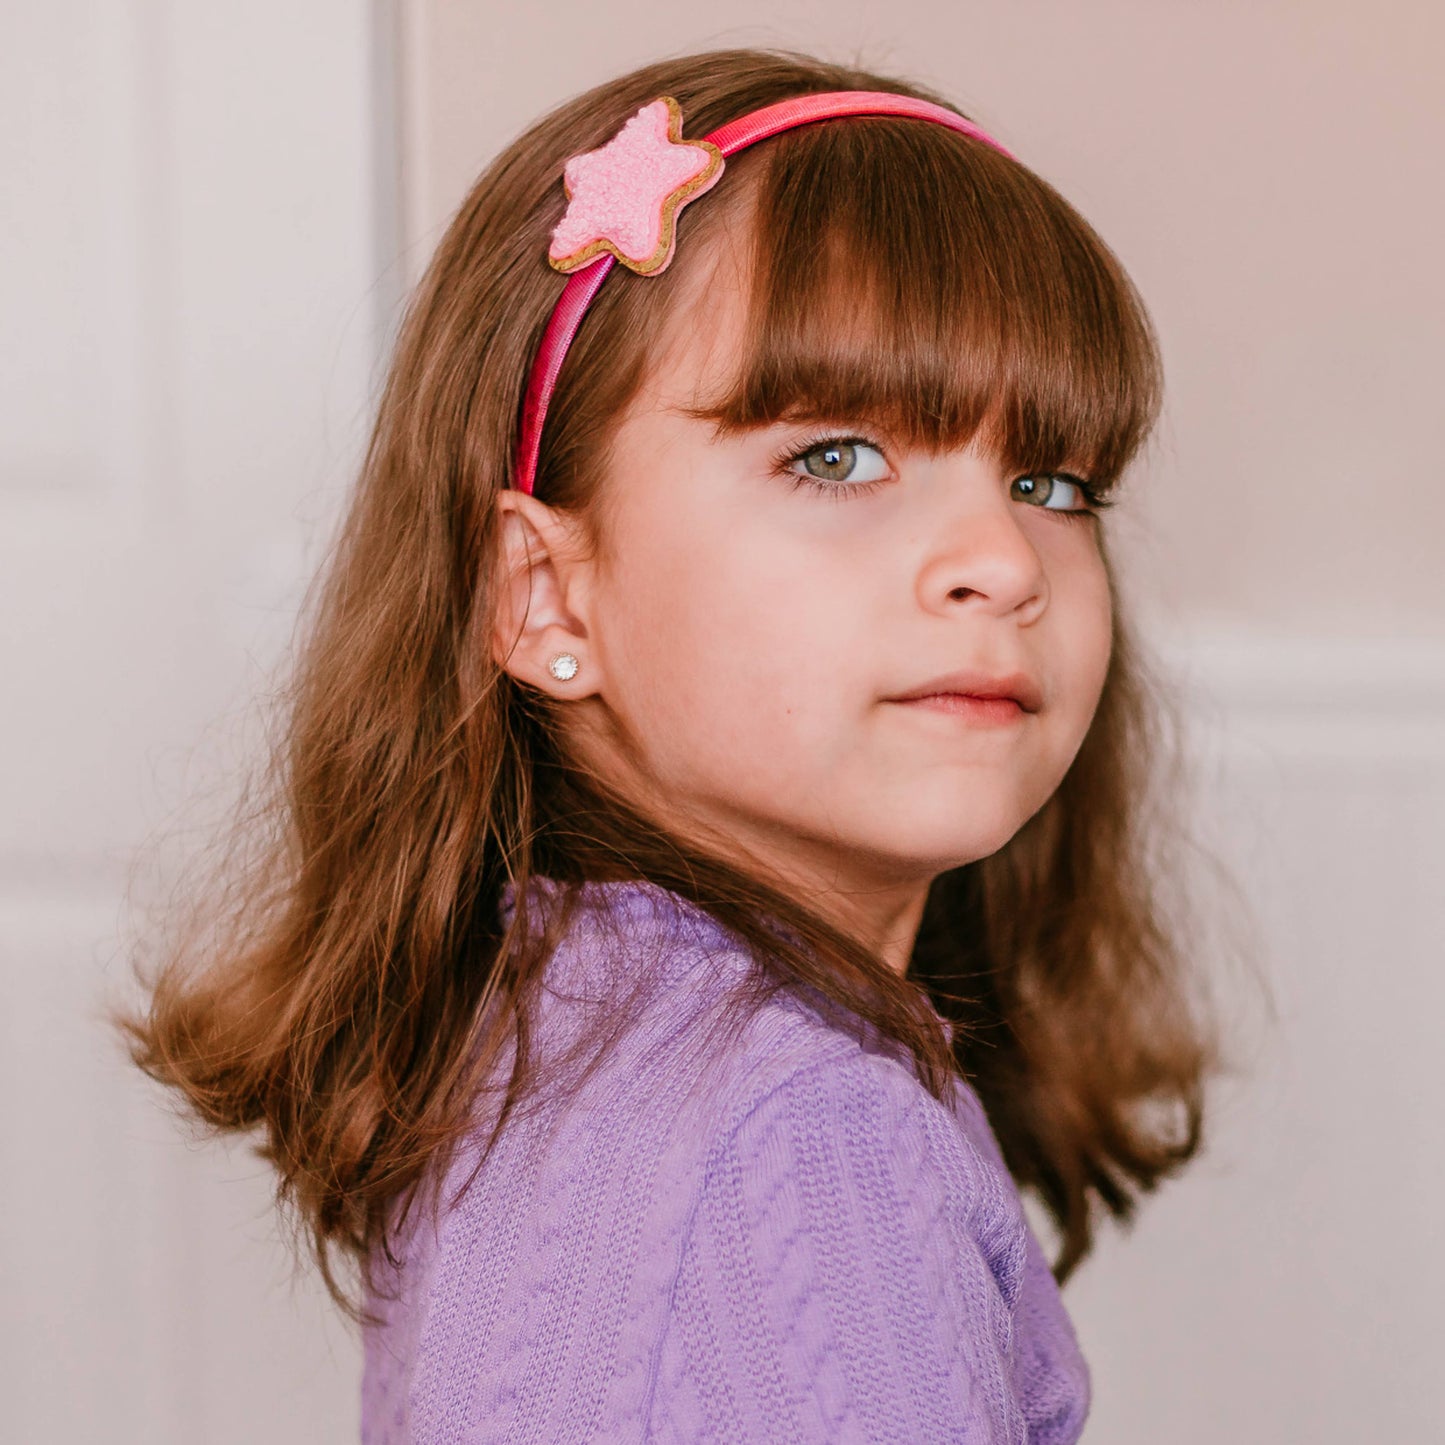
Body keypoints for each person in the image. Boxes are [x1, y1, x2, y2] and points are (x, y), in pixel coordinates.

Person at [122, 46, 1224, 1443]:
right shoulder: (810, 1134)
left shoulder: (544, 1017)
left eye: (1051, 479)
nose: (1000, 559)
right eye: (834, 457)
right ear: (547, 593)